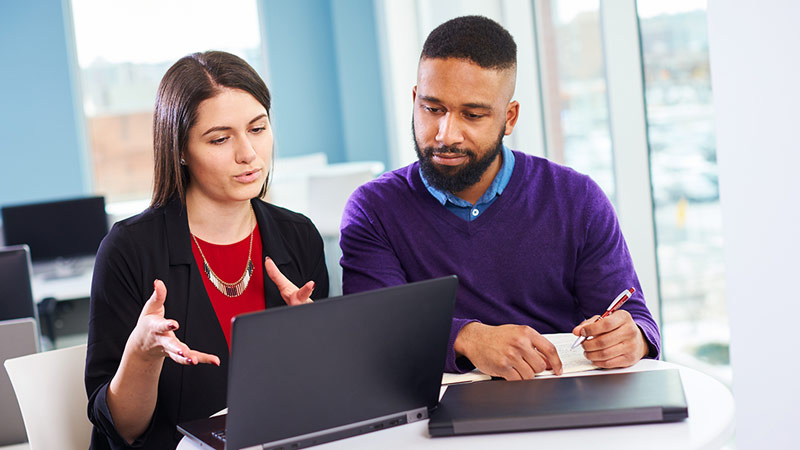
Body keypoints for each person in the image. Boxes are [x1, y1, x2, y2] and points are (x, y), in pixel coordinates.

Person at [339, 16, 660, 381]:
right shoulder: (373, 209)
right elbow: (376, 328)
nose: (446, 134)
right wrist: (467, 337)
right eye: (432, 109)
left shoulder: (577, 199)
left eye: (472, 115)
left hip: (563, 396)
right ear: (415, 100)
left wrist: (631, 338)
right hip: (439, 410)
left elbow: (634, 320)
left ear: (509, 118)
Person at [85, 51, 329, 450]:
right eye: (220, 138)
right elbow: (125, 430)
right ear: (180, 150)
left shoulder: (298, 235)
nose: (248, 153)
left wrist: (315, 345)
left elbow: (318, 400)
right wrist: (143, 356)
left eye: (258, 128)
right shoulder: (129, 250)